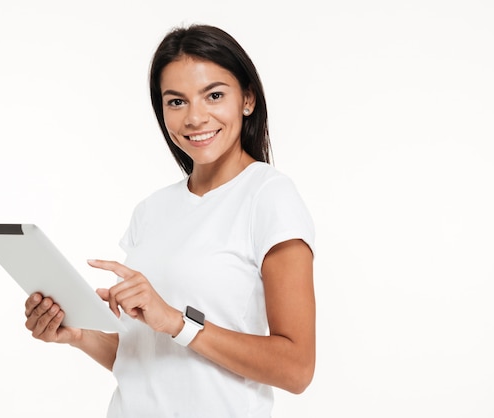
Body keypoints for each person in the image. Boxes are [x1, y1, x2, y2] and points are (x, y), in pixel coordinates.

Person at [24, 24, 316, 417]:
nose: (195, 117)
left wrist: (179, 323)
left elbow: (297, 369)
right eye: (176, 102)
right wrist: (79, 335)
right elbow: (144, 359)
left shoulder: (268, 196)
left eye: (214, 95)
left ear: (247, 98)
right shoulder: (151, 210)